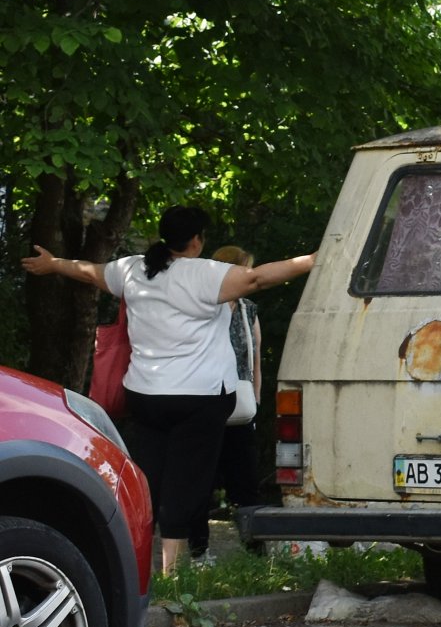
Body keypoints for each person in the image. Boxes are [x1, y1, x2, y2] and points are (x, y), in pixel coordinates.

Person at [23, 206, 316, 575]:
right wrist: (312, 261)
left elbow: (91, 272)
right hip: (199, 399)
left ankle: (132, 566)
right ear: (196, 241)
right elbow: (258, 279)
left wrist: (53, 263)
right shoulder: (205, 274)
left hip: (146, 397)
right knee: (187, 484)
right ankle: (171, 572)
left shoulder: (133, 268)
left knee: (149, 481)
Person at [189, 244, 263, 561]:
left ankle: (256, 551)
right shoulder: (198, 306)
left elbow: (255, 361)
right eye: (244, 269)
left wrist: (256, 404)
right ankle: (198, 551)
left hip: (240, 407)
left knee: (245, 484)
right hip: (203, 404)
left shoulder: (248, 310)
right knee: (199, 484)